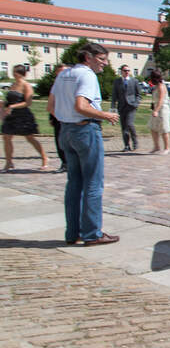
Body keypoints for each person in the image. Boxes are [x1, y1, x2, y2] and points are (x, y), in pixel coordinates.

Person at [47, 42, 120, 245]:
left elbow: (50, 105)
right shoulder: (87, 75)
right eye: (101, 59)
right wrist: (105, 115)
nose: (104, 64)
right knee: (93, 183)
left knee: (74, 183)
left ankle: (73, 232)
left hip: (66, 131)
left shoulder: (63, 74)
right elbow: (81, 106)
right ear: (88, 57)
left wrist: (66, 119)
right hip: (85, 130)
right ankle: (92, 233)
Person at [2, 64, 49, 171]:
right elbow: (9, 100)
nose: (14, 74)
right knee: (6, 137)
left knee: (30, 138)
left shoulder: (26, 85)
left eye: (16, 72)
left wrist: (13, 106)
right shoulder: (13, 84)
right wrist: (4, 105)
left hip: (23, 115)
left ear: (21, 73)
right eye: (14, 72)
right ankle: (9, 162)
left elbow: (28, 103)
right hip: (11, 116)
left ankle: (44, 157)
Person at [111, 65, 141, 152]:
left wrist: (136, 103)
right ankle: (126, 145)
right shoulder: (117, 81)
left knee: (129, 124)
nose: (127, 72)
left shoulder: (134, 81)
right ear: (121, 71)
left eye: (128, 70)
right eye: (125, 70)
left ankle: (135, 142)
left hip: (131, 106)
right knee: (124, 127)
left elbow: (138, 94)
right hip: (121, 106)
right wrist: (113, 107)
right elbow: (114, 95)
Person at [49, 64, 68, 172]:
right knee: (59, 141)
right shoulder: (55, 85)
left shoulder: (72, 84)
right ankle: (64, 163)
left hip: (70, 118)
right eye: (60, 72)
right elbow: (51, 103)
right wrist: (52, 117)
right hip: (58, 117)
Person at [146, 70, 170, 154]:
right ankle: (156, 146)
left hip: (163, 109)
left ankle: (167, 148)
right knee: (153, 127)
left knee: (164, 128)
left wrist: (156, 110)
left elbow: (161, 100)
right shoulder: (156, 86)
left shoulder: (161, 86)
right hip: (156, 108)